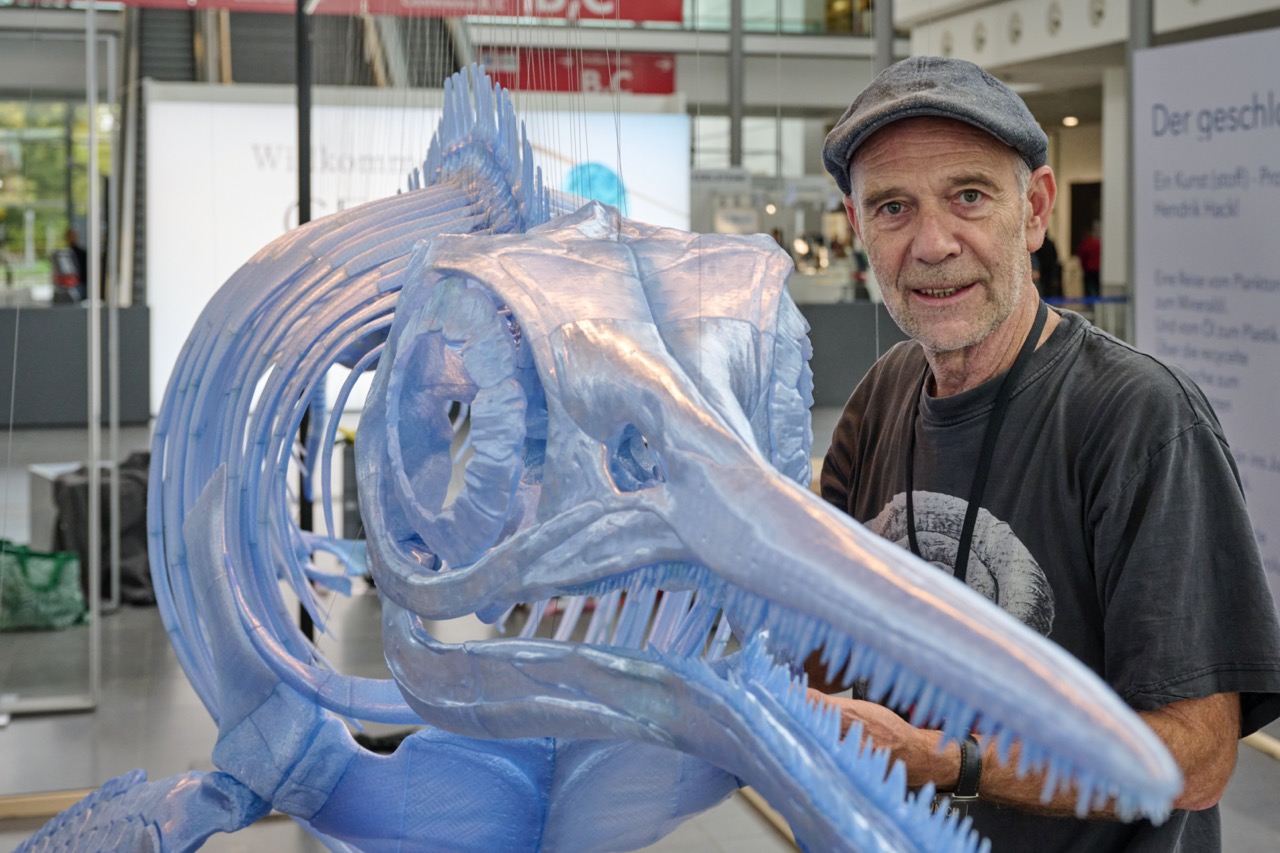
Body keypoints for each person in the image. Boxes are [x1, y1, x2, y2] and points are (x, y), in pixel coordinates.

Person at [813, 55, 1280, 851]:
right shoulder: (882, 392)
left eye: (969, 195)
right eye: (893, 207)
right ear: (858, 228)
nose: (933, 244)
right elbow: (822, 634)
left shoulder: (1142, 419)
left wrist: (949, 761)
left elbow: (1197, 758)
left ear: (1033, 210)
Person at [1077, 225, 1101, 299]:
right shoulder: (1098, 243)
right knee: (1097, 288)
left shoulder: (1085, 244)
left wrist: (1083, 268)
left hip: (1089, 269)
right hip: (1098, 270)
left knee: (1089, 289)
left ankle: (1090, 304)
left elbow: (1083, 258)